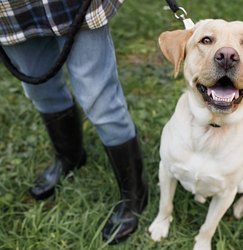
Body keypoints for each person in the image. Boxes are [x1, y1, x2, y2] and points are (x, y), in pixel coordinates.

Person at [0, 0, 148, 244]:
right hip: (11, 8)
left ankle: (135, 194)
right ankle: (70, 157)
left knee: (99, 99)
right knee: (40, 89)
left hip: (69, 4)